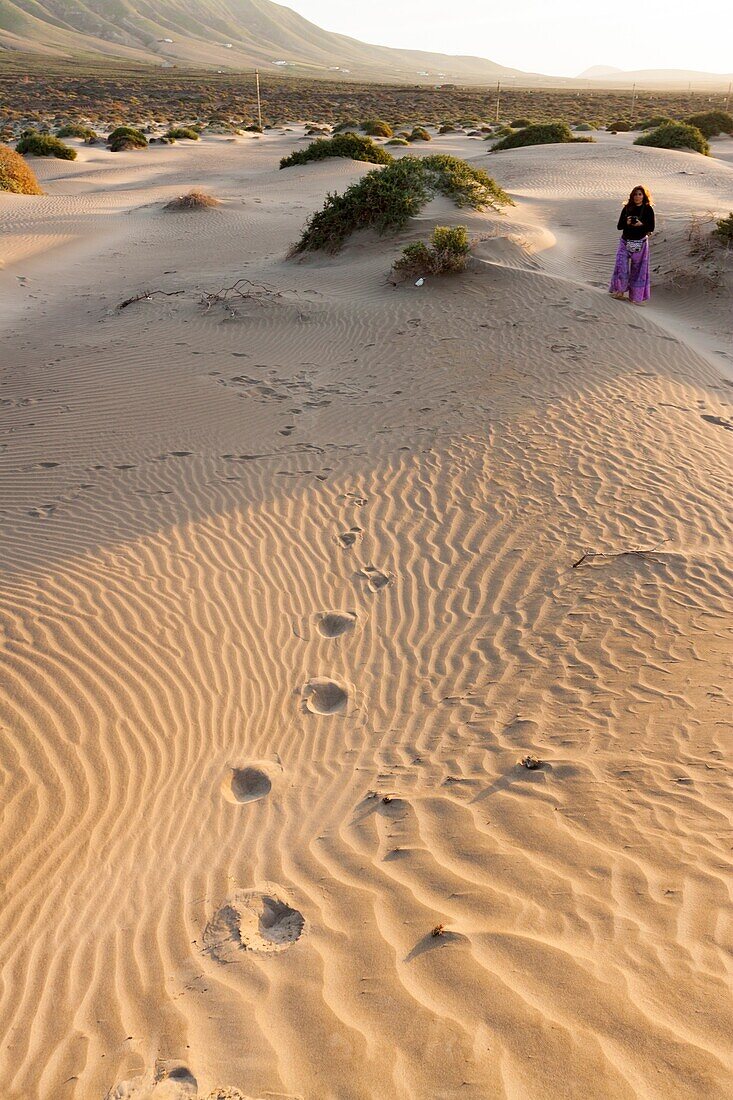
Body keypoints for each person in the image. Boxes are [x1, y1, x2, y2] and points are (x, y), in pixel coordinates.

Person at [609, 185, 655, 304]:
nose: (637, 196)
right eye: (635, 194)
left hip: (640, 243)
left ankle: (635, 297)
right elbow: (619, 226)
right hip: (625, 242)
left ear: (644, 196)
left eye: (640, 194)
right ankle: (619, 292)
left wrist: (641, 224)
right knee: (621, 266)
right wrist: (627, 222)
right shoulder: (627, 208)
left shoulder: (648, 209)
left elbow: (651, 227)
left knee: (638, 270)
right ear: (632, 195)